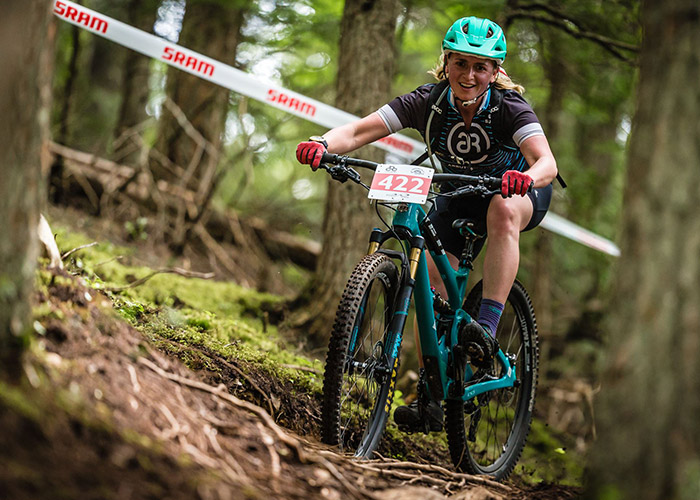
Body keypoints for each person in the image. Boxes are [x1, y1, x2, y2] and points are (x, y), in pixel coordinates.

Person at [296, 16, 557, 433]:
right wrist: (323, 144)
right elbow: (362, 129)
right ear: (446, 61)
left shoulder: (509, 107)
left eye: (480, 67)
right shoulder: (428, 101)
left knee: (502, 210)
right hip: (458, 196)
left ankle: (486, 327)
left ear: (495, 71)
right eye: (460, 63)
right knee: (428, 281)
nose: (469, 75)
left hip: (518, 191)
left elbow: (546, 162)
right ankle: (432, 392)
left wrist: (525, 178)